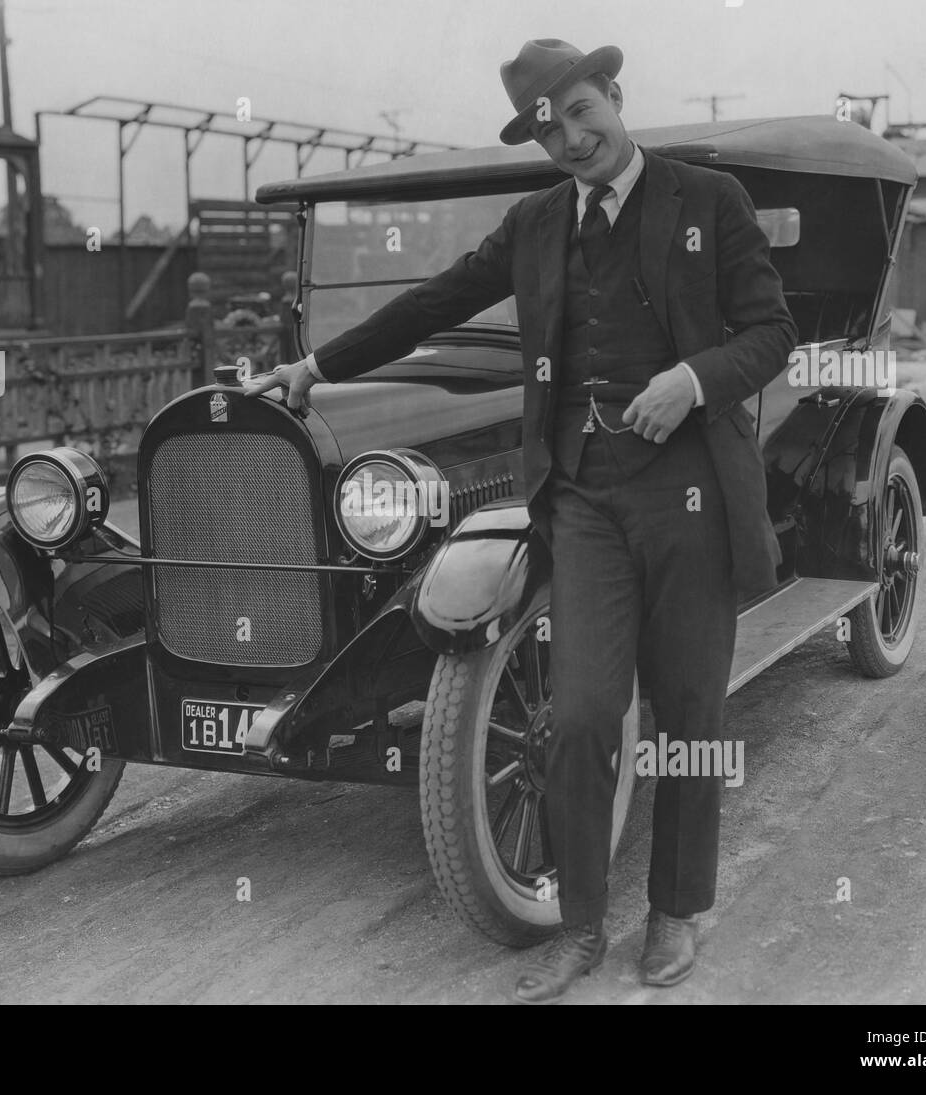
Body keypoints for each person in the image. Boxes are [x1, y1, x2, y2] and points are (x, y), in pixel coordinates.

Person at [244, 38, 797, 1003]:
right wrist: (315, 368)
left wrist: (693, 379)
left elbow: (772, 332)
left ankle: (675, 913)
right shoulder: (537, 223)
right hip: (580, 498)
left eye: (583, 112)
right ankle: (580, 924)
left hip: (690, 496)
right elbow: (433, 301)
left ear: (614, 97)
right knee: (581, 716)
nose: (572, 139)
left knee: (690, 714)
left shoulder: (708, 203)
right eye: (551, 130)